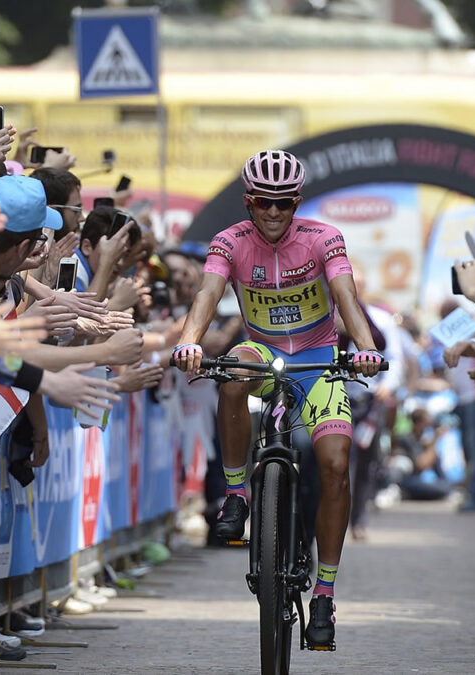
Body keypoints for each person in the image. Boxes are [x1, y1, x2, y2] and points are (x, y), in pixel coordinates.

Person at [172, 150, 383, 649]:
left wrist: (367, 349)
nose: (273, 213)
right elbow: (207, 293)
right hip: (260, 351)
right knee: (231, 378)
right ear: (249, 201)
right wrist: (189, 340)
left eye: (284, 204)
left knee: (334, 465)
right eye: (263, 203)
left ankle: (325, 596)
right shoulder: (230, 241)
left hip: (317, 359)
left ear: (297, 203)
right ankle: (237, 495)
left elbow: (346, 296)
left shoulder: (323, 238)